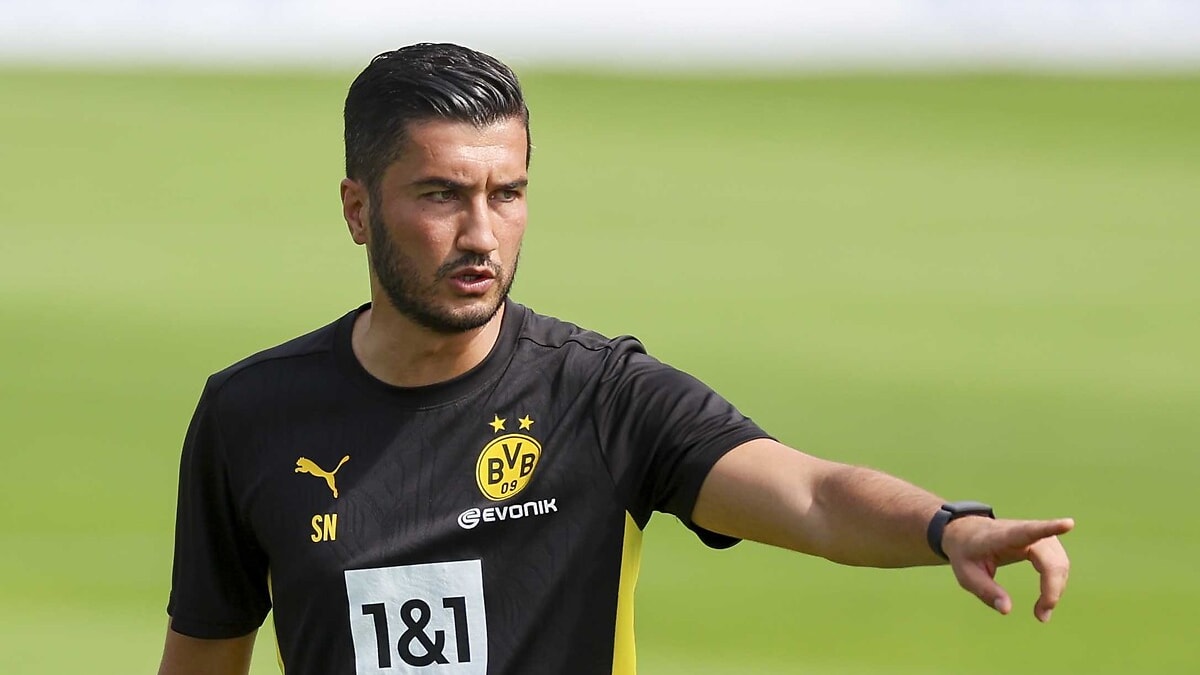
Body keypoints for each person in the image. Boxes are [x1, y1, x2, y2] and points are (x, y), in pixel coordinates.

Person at [157, 43, 1073, 675]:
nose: (482, 234)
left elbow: (815, 496)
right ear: (358, 210)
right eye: (440, 195)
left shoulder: (600, 397)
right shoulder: (250, 415)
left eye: (506, 193)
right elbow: (202, 658)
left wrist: (945, 525)